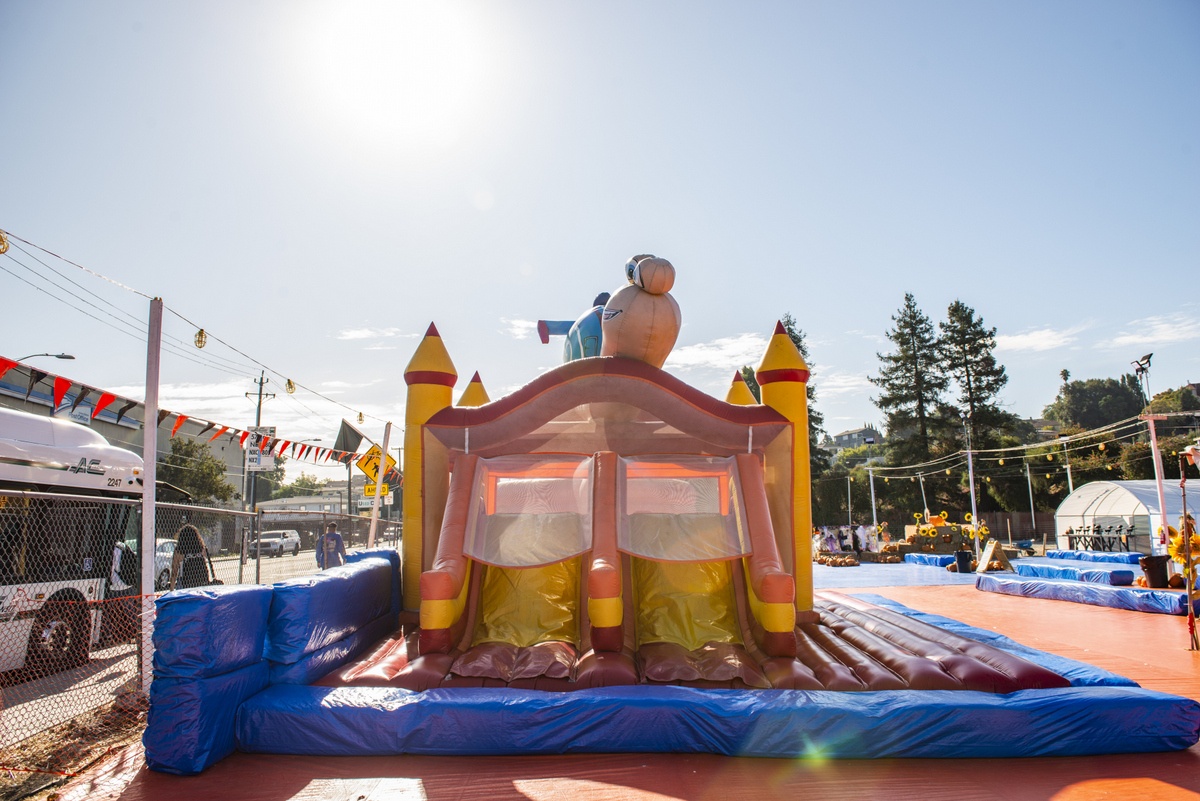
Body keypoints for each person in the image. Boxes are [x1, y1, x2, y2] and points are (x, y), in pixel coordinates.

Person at [170, 525, 212, 589]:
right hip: (201, 582)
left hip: (185, 582)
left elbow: (174, 572)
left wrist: (171, 587)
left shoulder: (179, 551)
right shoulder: (202, 549)